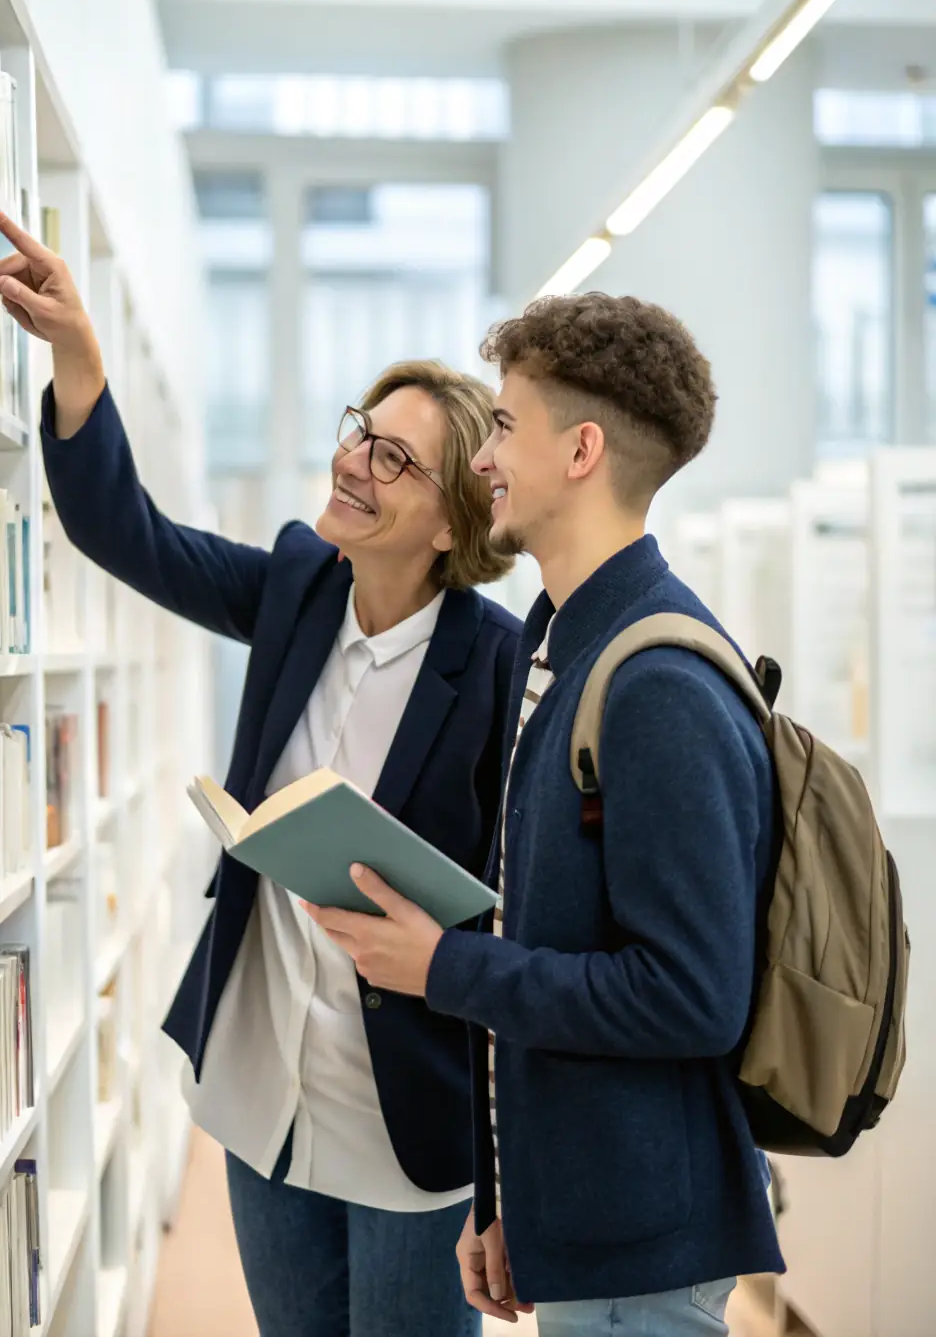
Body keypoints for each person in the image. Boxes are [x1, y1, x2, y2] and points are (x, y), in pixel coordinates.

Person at [0, 202, 524, 1337]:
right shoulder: (295, 584)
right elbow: (127, 533)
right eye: (356, 430)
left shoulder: (497, 665)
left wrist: (509, 1165)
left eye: (394, 456)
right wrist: (80, 362)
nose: (353, 460)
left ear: (450, 521)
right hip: (261, 1091)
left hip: (404, 1122)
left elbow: (515, 912)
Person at [303, 292, 785, 1335]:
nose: (483, 461)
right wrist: (503, 1195)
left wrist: (439, 968)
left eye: (505, 429)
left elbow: (688, 997)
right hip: (578, 1202)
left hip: (643, 1236)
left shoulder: (656, 682)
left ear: (579, 451)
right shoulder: (554, 641)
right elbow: (537, 923)